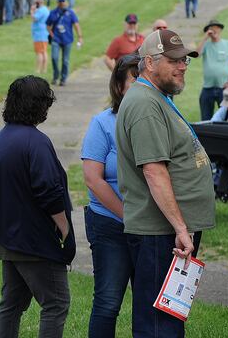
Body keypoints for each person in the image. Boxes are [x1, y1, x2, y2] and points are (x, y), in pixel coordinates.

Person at [116, 29, 215, 338]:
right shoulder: (145, 104)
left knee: (168, 320)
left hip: (168, 232)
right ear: (149, 62)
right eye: (173, 60)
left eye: (184, 60)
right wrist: (181, 229)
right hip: (160, 234)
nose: (182, 66)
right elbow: (154, 171)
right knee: (158, 326)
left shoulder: (156, 97)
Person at [0, 75, 75, 338]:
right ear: (39, 105)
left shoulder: (3, 136)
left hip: (9, 236)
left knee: (11, 304)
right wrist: (65, 230)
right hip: (36, 240)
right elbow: (49, 191)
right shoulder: (36, 142)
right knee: (56, 304)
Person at [81, 55, 140, 338]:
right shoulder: (103, 123)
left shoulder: (158, 120)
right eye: (135, 79)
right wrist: (128, 216)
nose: (143, 85)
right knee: (108, 302)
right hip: (110, 225)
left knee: (149, 303)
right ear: (119, 86)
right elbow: (93, 179)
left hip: (151, 228)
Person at [197, 19, 228, 121]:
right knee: (205, 119)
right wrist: (205, 38)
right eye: (211, 28)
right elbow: (196, 54)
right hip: (207, 88)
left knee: (226, 119)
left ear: (220, 29)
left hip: (223, 88)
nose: (214, 30)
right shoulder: (206, 45)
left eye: (216, 27)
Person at [46, 0, 82, 86]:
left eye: (63, 1)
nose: (62, 3)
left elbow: (76, 25)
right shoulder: (53, 13)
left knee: (65, 60)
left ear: (66, 1)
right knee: (54, 58)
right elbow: (48, 26)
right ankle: (55, 76)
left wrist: (80, 37)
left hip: (67, 39)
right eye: (60, 1)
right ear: (57, 2)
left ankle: (63, 78)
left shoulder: (70, 13)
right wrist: (52, 35)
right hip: (56, 39)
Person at [31, 0, 49, 74]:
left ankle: (38, 69)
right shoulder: (45, 9)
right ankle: (44, 69)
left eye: (35, 3)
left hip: (39, 34)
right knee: (44, 52)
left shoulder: (41, 10)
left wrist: (32, 11)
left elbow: (34, 18)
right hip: (44, 33)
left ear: (38, 3)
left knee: (39, 52)